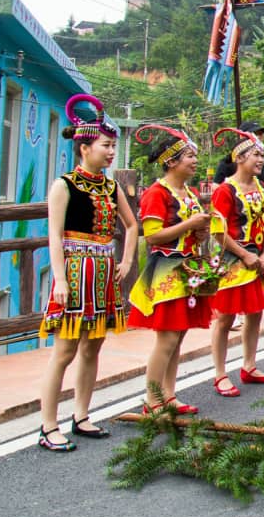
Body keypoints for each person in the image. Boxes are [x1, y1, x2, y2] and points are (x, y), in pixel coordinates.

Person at [36, 95, 138, 451]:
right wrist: (61, 280)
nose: (111, 153)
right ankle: (49, 424)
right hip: (76, 270)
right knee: (64, 351)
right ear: (84, 148)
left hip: (103, 272)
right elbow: (54, 234)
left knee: (93, 348)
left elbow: (132, 225)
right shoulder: (63, 185)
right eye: (106, 146)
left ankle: (81, 415)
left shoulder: (111, 187)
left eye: (113, 146)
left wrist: (125, 261)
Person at [128, 125, 213, 415]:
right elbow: (152, 237)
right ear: (172, 161)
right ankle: (152, 400)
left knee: (178, 336)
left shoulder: (187, 192)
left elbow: (186, 232)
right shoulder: (157, 193)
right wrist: (191, 225)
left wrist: (199, 234)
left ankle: (169, 394)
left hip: (187, 266)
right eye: (189, 155)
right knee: (166, 337)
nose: (194, 160)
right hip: (167, 268)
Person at [207, 127, 264, 398]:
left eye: (262, 154)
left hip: (257, 259)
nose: (260, 159)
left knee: (255, 314)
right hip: (233, 260)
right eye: (254, 154)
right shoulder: (226, 191)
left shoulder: (261, 187)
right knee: (225, 318)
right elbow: (218, 232)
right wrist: (244, 254)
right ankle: (219, 373)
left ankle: (249, 365)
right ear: (238, 158)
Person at [213, 120, 264, 192]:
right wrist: (235, 197)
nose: (258, 137)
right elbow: (216, 187)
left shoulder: (263, 161)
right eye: (254, 133)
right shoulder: (227, 162)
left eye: (260, 134)